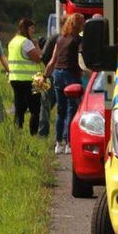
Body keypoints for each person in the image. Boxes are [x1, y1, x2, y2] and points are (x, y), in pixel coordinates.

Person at [45, 12, 84, 154]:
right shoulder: (78, 40)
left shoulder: (60, 39)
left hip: (57, 75)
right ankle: (69, 143)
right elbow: (82, 59)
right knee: (71, 110)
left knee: (60, 110)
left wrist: (45, 76)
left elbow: (52, 60)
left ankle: (58, 144)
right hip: (70, 76)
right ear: (79, 24)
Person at [7, 18, 43, 135]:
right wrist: (36, 45)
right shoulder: (27, 42)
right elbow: (37, 58)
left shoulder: (13, 41)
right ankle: (33, 134)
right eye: (32, 28)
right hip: (32, 79)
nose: (33, 31)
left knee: (19, 108)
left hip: (15, 78)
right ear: (26, 29)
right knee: (35, 109)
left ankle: (17, 132)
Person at [37, 26, 60, 137]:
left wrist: (46, 73)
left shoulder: (54, 38)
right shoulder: (75, 38)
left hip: (50, 74)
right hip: (68, 76)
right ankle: (64, 136)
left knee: (45, 104)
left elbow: (45, 56)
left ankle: (43, 133)